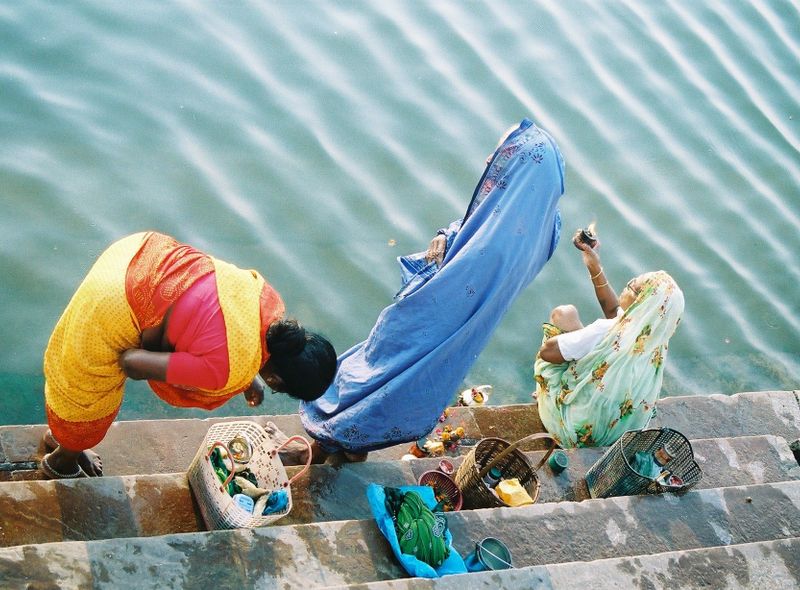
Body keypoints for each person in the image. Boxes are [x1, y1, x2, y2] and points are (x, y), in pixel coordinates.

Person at [298, 118, 565, 463]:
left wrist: (415, 294)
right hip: (465, 336)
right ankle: (351, 448)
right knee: (403, 385)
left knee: (383, 375)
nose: (489, 161)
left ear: (519, 168)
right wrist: (446, 235)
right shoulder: (541, 220)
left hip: (439, 321)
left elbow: (472, 261)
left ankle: (326, 443)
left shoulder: (498, 241)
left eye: (501, 157)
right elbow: (480, 226)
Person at [41, 231, 336, 479]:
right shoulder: (223, 372)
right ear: (275, 380)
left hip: (139, 254)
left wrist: (247, 379)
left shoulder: (267, 301)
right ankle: (62, 460)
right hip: (115, 303)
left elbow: (227, 328)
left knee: (78, 389)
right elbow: (131, 363)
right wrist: (207, 373)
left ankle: (64, 438)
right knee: (90, 405)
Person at [534, 230, 685, 448]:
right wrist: (593, 265)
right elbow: (615, 311)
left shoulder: (605, 331)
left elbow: (547, 353)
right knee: (584, 343)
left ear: (641, 304)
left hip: (574, 431)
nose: (627, 285)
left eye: (632, 286)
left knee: (563, 314)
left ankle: (552, 401)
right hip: (614, 434)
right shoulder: (654, 346)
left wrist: (581, 343)